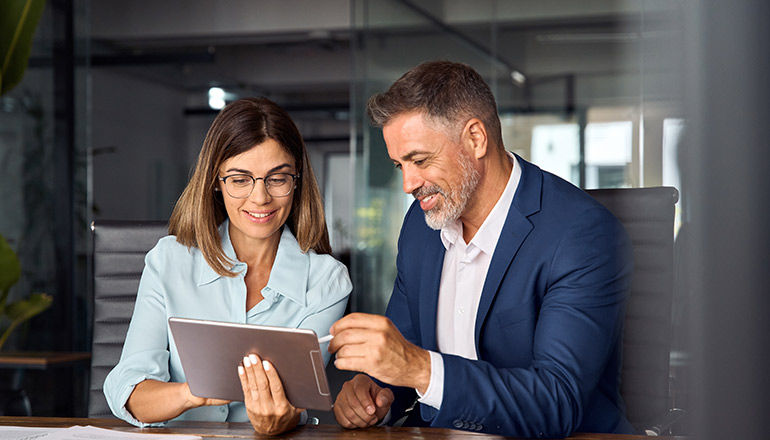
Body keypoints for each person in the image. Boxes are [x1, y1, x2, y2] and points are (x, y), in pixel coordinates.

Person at [328, 61, 633, 437]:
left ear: (475, 138)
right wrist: (374, 392)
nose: (408, 184)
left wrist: (421, 369)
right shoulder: (421, 227)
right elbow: (404, 353)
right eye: (399, 165)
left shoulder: (581, 235)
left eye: (420, 160)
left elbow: (557, 401)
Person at [103, 97, 352, 435]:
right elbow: (129, 391)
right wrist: (195, 392)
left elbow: (297, 402)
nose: (260, 197)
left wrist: (280, 419)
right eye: (240, 179)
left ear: (297, 181)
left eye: (277, 179)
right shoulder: (169, 261)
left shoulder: (327, 281)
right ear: (216, 183)